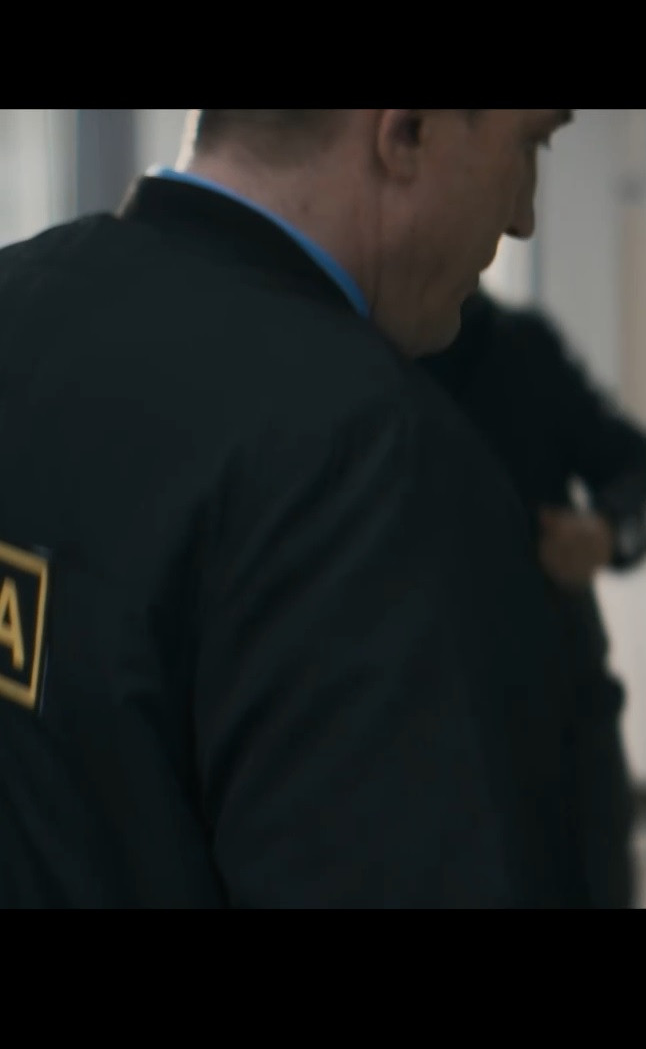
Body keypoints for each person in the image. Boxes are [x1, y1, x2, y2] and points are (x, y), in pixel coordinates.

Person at [0, 108, 590, 907]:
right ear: (405, 132)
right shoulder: (369, 463)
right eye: (529, 144)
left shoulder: (17, 303)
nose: (523, 216)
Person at [419, 288, 646, 909]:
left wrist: (603, 534)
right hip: (429, 736)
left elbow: (640, 469)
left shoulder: (518, 347)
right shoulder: (352, 356)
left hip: (559, 724)